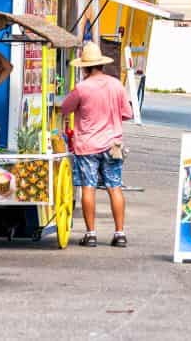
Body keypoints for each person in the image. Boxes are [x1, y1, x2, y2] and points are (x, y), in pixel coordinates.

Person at [60, 42, 133, 248]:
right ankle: (120, 234)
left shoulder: (81, 88)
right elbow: (127, 113)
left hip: (87, 146)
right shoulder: (116, 85)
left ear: (84, 67)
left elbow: (65, 108)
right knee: (114, 187)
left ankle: (90, 234)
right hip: (112, 145)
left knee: (88, 188)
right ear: (101, 64)